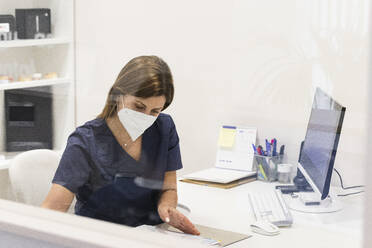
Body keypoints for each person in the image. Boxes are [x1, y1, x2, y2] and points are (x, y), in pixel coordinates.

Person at [42, 55, 200, 235]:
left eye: (154, 111)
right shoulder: (86, 141)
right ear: (118, 96)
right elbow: (51, 212)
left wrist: (167, 209)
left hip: (151, 236)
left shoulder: (164, 128)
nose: (146, 117)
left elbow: (169, 188)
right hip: (101, 238)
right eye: (139, 107)